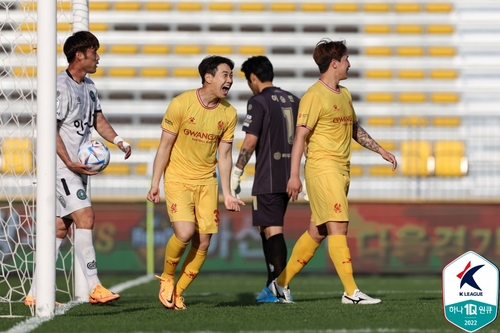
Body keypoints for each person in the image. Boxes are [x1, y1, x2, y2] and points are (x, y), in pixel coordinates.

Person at [270, 39, 397, 304]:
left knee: (319, 231)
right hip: (322, 169)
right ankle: (351, 292)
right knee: (339, 226)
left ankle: (280, 285)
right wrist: (294, 176)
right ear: (335, 63)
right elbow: (300, 137)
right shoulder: (313, 96)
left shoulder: (345, 94)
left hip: (341, 170)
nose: (350, 63)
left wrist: (381, 150)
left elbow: (353, 129)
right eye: (347, 59)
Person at [25, 31, 132, 306]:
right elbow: (51, 128)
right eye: (94, 52)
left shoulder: (90, 87)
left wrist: (118, 140)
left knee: (61, 228)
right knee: (86, 217)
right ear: (79, 55)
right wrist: (69, 161)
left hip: (77, 168)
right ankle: (95, 286)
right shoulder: (59, 85)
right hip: (62, 167)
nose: (98, 57)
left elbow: (99, 120)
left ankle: (35, 292)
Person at [147, 55, 245, 310]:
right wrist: (155, 182)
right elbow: (165, 146)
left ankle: (177, 293)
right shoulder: (181, 104)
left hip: (206, 182)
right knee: (185, 232)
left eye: (232, 75)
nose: (230, 80)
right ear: (208, 77)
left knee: (203, 242)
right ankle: (167, 277)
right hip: (178, 178)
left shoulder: (229, 113)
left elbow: (224, 156)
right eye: (225, 74)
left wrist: (228, 193)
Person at [230, 56, 300, 303]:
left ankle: (281, 289)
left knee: (273, 230)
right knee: (266, 227)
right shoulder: (293, 99)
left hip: (268, 174)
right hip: (288, 173)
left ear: (253, 78)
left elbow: (250, 141)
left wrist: (236, 172)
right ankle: (273, 285)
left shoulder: (258, 101)